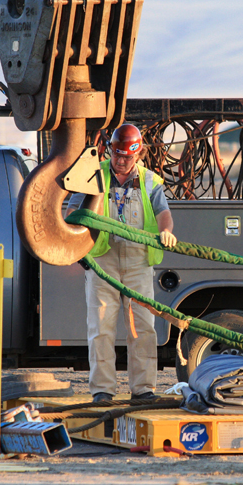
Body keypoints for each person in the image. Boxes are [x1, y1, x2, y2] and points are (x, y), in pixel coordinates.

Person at [67, 124, 177, 403]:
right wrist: (80, 241)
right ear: (110, 150)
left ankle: (143, 390)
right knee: (100, 328)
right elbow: (72, 212)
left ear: (138, 153)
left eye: (127, 157)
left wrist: (167, 231)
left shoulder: (150, 181)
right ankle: (102, 390)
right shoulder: (94, 176)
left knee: (142, 327)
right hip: (103, 261)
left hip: (138, 261)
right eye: (117, 155)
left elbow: (163, 212)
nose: (121, 161)